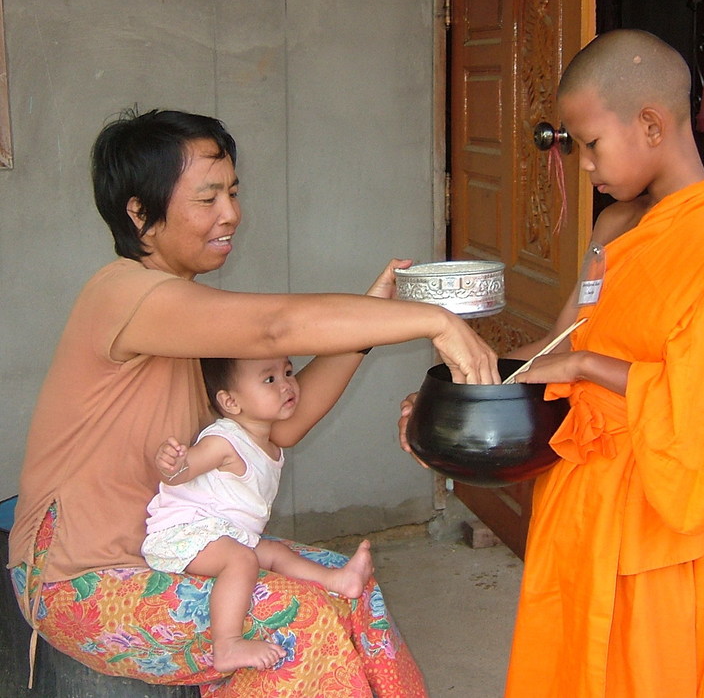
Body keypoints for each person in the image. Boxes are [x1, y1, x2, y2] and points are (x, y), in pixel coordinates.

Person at [8, 107, 500, 698]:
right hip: (81, 577)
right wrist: (433, 321)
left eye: (233, 193)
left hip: (175, 552)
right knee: (297, 620)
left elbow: (282, 422)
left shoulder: (189, 316)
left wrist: (367, 324)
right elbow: (274, 328)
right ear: (140, 212)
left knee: (350, 587)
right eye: (208, 197)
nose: (231, 214)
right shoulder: (124, 294)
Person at [400, 30, 704, 697]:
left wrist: (584, 369)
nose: (582, 165)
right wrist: (455, 393)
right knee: (567, 669)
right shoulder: (614, 230)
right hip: (577, 495)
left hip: (655, 517)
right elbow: (563, 340)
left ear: (651, 124)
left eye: (590, 144)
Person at [142, 355, 375, 673]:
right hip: (185, 534)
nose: (287, 384)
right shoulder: (225, 440)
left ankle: (340, 580)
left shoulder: (269, 446)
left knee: (275, 552)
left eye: (288, 372)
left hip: (226, 533)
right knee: (242, 560)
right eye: (270, 380)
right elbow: (184, 470)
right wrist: (173, 464)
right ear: (230, 401)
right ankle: (227, 645)